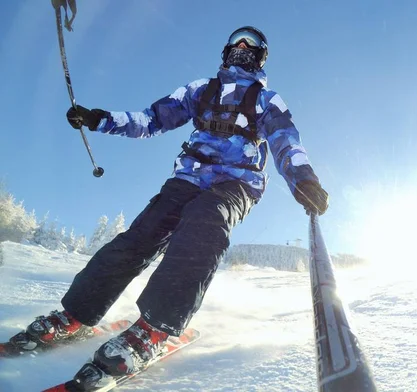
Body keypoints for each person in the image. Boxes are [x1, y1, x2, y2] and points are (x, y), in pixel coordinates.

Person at [10, 26, 328, 375]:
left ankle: (153, 329)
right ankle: (74, 315)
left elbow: (286, 142)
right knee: (138, 238)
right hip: (187, 179)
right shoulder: (199, 90)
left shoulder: (267, 100)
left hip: (236, 183)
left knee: (205, 223)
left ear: (260, 57)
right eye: (236, 40)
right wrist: (100, 119)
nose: (242, 46)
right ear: (225, 51)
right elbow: (150, 119)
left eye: (251, 44)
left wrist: (305, 181)